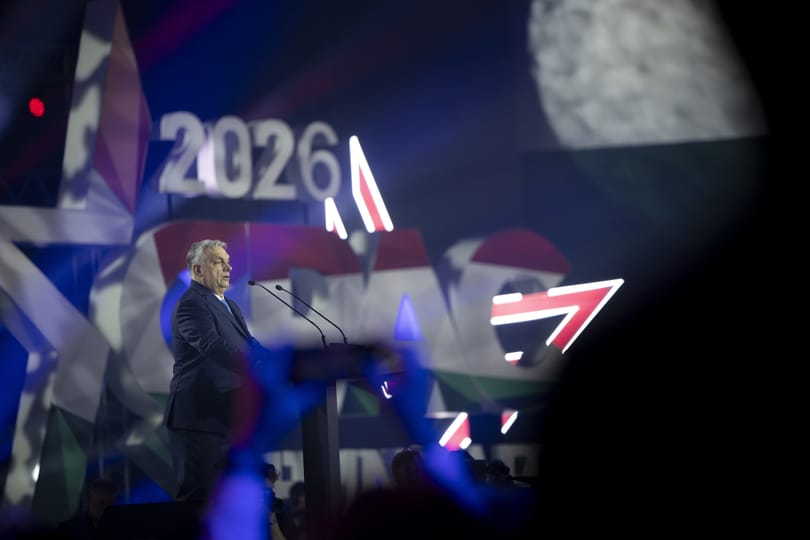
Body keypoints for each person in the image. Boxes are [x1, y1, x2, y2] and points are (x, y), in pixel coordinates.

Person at [164, 238, 263, 503]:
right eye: (219, 262)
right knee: (199, 502)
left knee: (227, 501)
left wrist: (271, 359)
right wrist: (255, 363)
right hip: (199, 420)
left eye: (228, 263)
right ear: (197, 270)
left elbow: (249, 344)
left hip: (227, 417)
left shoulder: (230, 306)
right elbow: (212, 346)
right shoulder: (191, 303)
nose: (228, 268)